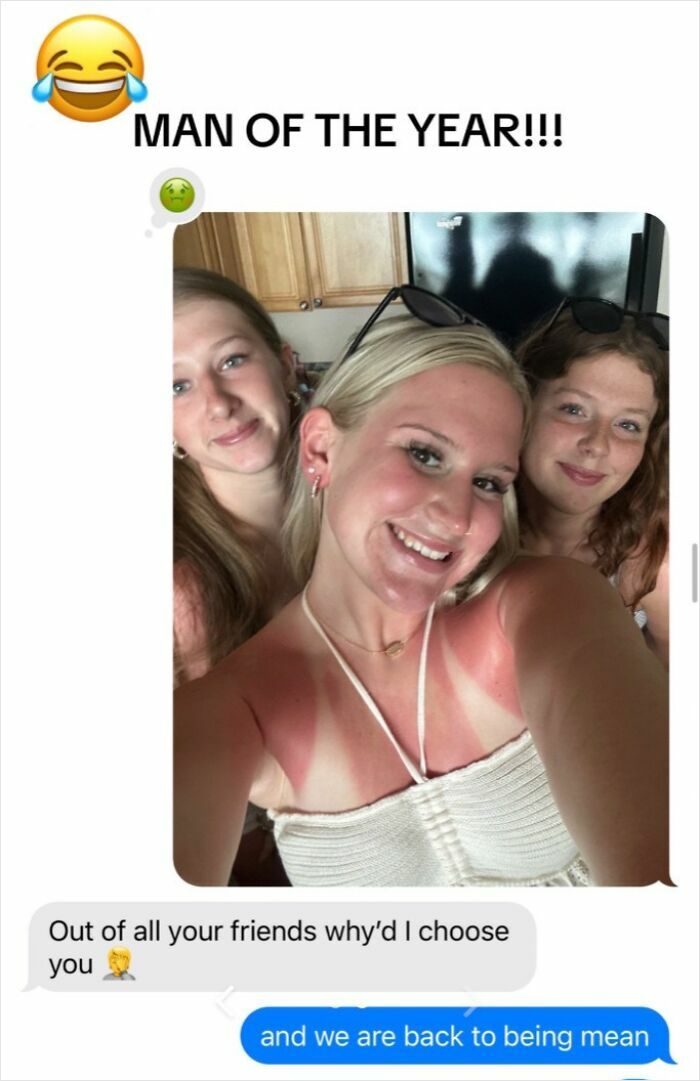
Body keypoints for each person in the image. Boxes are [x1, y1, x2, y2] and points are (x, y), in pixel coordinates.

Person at [175, 293, 668, 889]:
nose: (457, 515)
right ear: (321, 448)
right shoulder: (230, 709)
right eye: (424, 453)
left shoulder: (549, 604)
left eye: (488, 481)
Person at [173, 267, 302, 884]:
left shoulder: (378, 506)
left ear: (285, 364)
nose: (217, 404)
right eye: (176, 387)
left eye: (231, 360)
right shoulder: (170, 588)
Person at [515, 298, 669, 667]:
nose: (597, 445)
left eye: (628, 425)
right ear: (522, 404)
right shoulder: (459, 529)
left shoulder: (653, 559)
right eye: (574, 409)